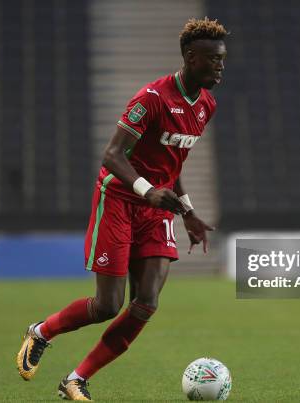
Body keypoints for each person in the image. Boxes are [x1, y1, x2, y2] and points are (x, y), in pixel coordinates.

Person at [16, 17, 228, 401]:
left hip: (157, 207)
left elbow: (173, 164)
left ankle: (76, 379)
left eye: (223, 59)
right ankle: (41, 332)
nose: (221, 66)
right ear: (191, 57)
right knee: (107, 305)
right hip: (118, 199)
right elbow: (112, 155)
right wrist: (148, 191)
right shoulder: (152, 98)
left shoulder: (206, 106)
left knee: (146, 302)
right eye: (214, 59)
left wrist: (189, 211)